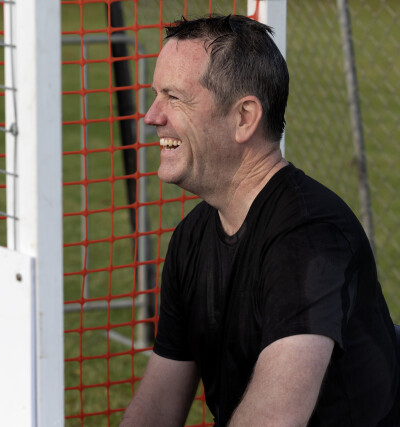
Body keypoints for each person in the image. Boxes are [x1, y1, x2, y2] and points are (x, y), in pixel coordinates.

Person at [121, 15, 400, 427]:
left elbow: (274, 419)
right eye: (155, 95)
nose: (151, 116)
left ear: (244, 118)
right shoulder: (191, 238)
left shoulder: (309, 238)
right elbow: (158, 407)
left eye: (174, 97)